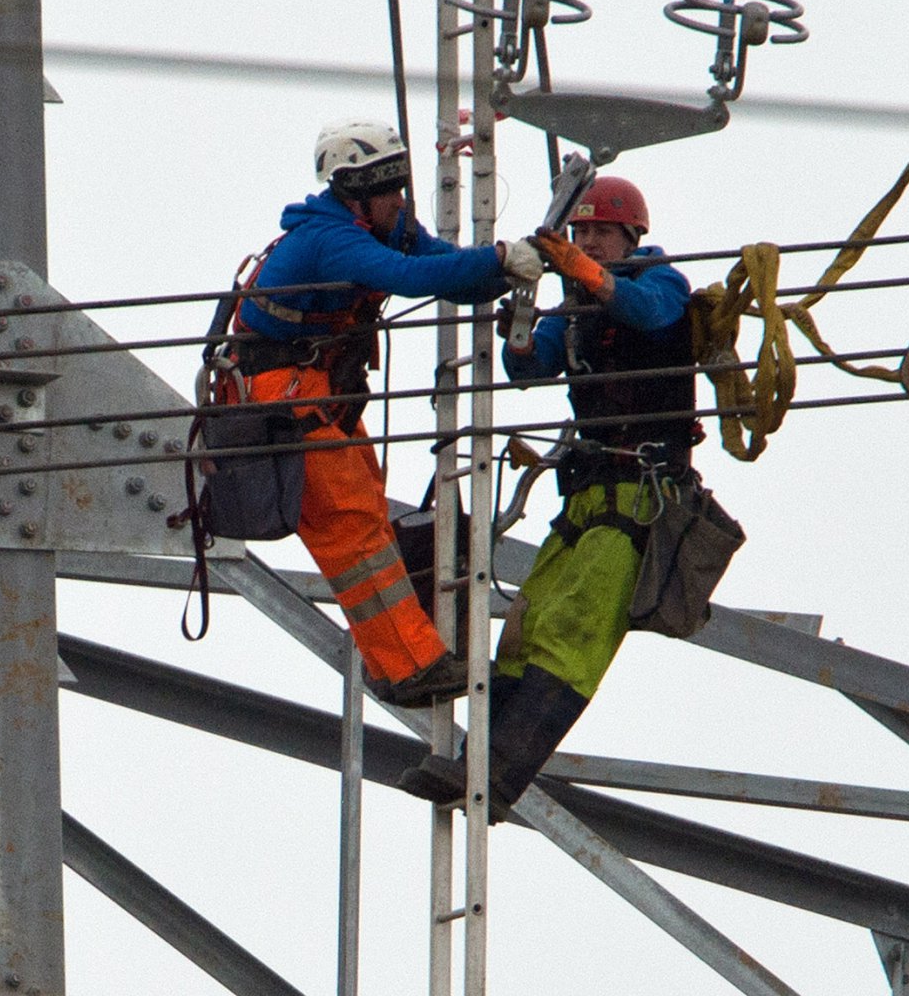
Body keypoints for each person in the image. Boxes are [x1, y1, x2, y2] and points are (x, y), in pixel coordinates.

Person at [398, 174, 697, 811]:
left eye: (599, 232)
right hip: (587, 496)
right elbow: (530, 367)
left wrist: (579, 270)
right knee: (525, 631)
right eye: (580, 231)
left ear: (631, 235)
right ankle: (468, 763)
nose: (587, 240)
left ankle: (498, 777)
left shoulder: (661, 279)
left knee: (572, 631)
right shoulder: (578, 307)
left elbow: (650, 313)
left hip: (642, 496)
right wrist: (524, 315)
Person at [227, 119, 544, 708]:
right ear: (354, 192)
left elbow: (445, 268)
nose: (400, 202)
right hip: (278, 394)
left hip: (316, 391)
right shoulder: (329, 238)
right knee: (350, 526)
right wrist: (500, 256)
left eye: (400, 189)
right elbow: (411, 276)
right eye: (388, 191)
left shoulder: (383, 223)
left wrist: (504, 269)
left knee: (366, 508)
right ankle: (410, 667)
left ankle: (397, 657)